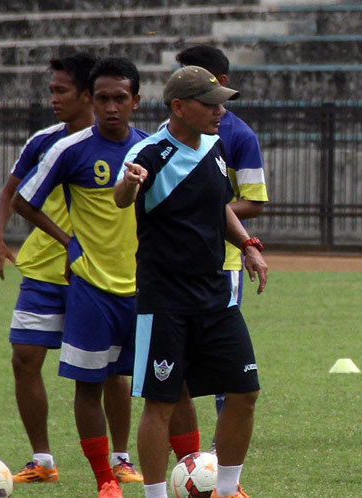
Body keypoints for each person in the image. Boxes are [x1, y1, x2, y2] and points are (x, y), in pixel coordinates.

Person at [113, 65, 267, 498]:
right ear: (179, 107)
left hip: (216, 296)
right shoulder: (151, 153)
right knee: (160, 404)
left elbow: (221, 208)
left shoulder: (216, 148)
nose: (220, 110)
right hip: (166, 301)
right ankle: (156, 495)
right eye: (210, 102)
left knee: (245, 391)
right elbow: (122, 199)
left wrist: (248, 244)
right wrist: (129, 182)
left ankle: (227, 488)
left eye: (222, 102)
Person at [13, 56, 149, 498]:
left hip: (145, 285)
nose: (112, 107)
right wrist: (66, 240)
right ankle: (105, 481)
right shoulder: (69, 149)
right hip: (90, 285)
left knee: (168, 384)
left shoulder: (151, 149)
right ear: (93, 99)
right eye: (104, 98)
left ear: (136, 101)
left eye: (121, 99)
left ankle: (164, 469)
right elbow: (24, 199)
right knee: (88, 383)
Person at [166, 43, 270, 456]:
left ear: (220, 83)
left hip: (220, 262)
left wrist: (207, 210)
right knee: (177, 366)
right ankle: (187, 450)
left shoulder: (238, 135)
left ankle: (218, 446)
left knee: (228, 366)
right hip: (171, 266)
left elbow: (255, 200)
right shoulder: (168, 134)